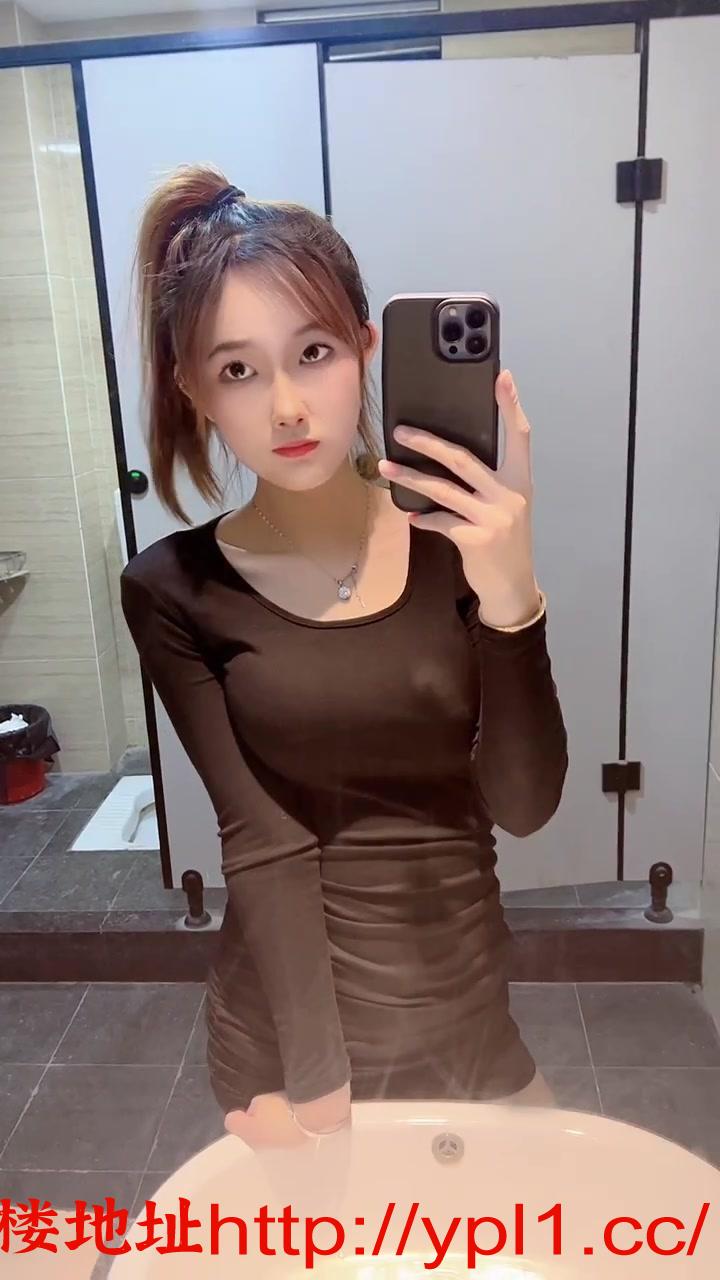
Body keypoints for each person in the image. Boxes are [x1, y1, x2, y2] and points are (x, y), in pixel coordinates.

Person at [120, 164, 568, 1151]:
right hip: (292, 1043)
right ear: (195, 388)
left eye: (312, 352)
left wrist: (513, 598)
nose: (286, 405)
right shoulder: (172, 589)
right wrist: (320, 1084)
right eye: (238, 370)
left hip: (467, 1012)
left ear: (365, 347)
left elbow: (525, 804)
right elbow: (260, 837)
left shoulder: (461, 547)